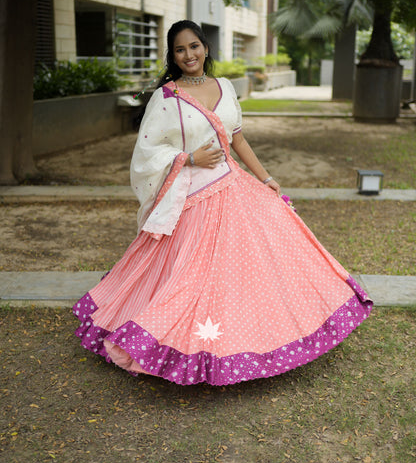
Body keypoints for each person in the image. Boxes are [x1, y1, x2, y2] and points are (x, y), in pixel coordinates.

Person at [73, 20, 372, 386]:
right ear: (173, 55)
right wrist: (189, 158)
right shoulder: (166, 97)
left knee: (254, 268)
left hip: (235, 187)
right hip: (192, 195)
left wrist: (265, 178)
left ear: (206, 47)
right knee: (193, 276)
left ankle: (258, 336)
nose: (189, 55)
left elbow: (239, 140)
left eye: (195, 46)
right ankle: (184, 342)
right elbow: (147, 152)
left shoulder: (225, 87)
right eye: (180, 49)